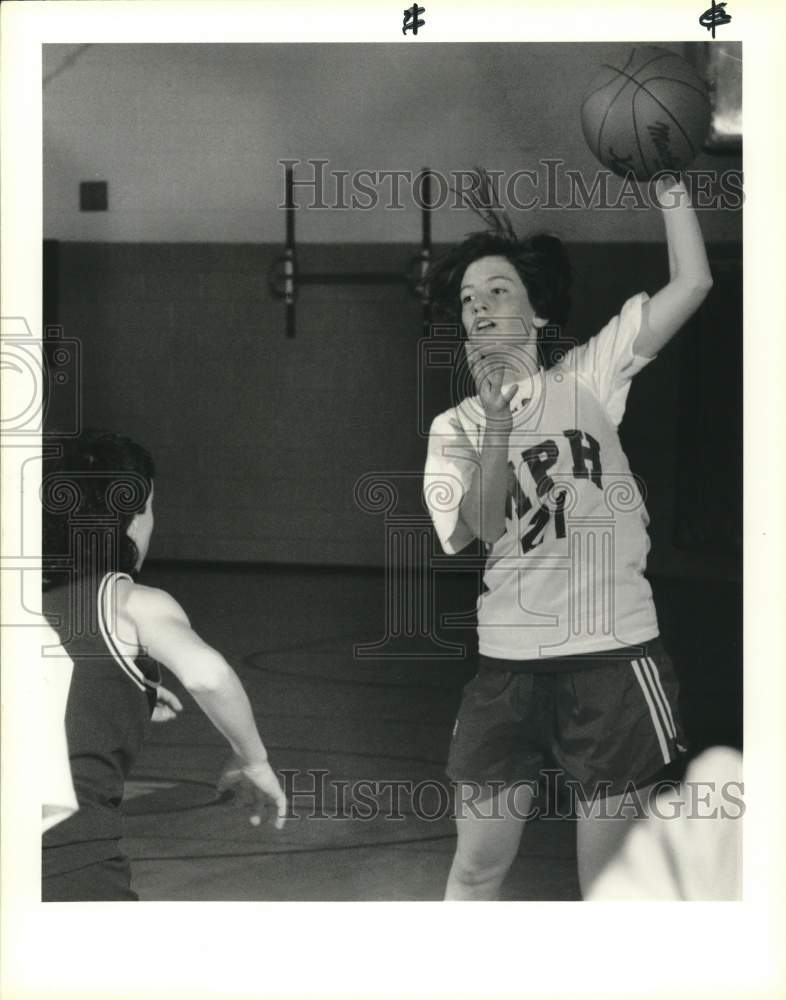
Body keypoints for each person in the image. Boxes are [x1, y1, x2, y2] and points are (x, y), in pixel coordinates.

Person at [423, 171, 713, 899]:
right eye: (468, 300)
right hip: (507, 663)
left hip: (611, 656)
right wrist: (495, 423)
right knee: (477, 866)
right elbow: (483, 528)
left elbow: (693, 283)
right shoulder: (452, 428)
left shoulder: (589, 377)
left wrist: (671, 182)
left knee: (609, 886)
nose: (482, 307)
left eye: (499, 291)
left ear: (537, 310)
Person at [41, 430, 287, 901]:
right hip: (69, 856)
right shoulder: (132, 602)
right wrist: (253, 759)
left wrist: (120, 696)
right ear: (130, 521)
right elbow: (207, 675)